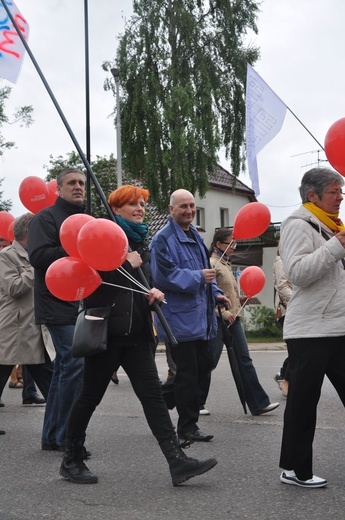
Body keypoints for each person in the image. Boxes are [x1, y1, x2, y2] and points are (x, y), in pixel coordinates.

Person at [60, 184, 217, 486]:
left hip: (138, 335)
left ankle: (177, 461)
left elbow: (137, 285)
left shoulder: (140, 243)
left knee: (153, 399)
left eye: (143, 204)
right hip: (107, 333)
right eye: (132, 204)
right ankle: (71, 458)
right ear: (115, 209)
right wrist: (120, 263)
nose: (140, 209)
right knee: (89, 398)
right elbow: (90, 283)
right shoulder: (99, 237)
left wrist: (151, 294)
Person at [279, 167, 345, 489]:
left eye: (341, 191)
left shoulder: (333, 226)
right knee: (303, 404)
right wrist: (336, 246)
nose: (341, 197)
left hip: (338, 326)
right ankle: (295, 469)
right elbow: (298, 273)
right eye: (334, 191)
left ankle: (294, 467)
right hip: (310, 330)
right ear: (312, 195)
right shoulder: (297, 225)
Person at [149, 189, 230, 444]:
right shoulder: (162, 240)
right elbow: (162, 277)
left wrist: (215, 292)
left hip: (200, 315)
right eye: (183, 206)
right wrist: (198, 279)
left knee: (203, 365)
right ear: (171, 210)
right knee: (188, 372)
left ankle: (161, 399)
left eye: (192, 206)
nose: (189, 211)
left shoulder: (194, 234)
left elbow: (205, 271)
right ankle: (187, 427)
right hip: (178, 318)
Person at [28, 168, 86, 452]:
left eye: (82, 183)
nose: (78, 187)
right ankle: (64, 436)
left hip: (80, 302)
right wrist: (75, 250)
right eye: (72, 183)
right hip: (55, 302)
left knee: (65, 368)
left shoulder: (84, 220)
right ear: (58, 189)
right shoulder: (45, 218)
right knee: (74, 362)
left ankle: (52, 436)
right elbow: (37, 256)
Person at [198, 228, 279, 416]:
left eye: (234, 243)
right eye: (230, 243)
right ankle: (196, 402)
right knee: (209, 361)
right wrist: (225, 313)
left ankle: (258, 403)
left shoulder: (226, 264)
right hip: (218, 321)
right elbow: (208, 296)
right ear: (219, 244)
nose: (233, 247)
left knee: (244, 360)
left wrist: (239, 299)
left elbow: (226, 293)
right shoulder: (212, 264)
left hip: (234, 320)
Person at [0, 213, 53, 410]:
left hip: (35, 325)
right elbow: (14, 287)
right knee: (3, 370)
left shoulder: (36, 253)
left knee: (49, 377)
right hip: (14, 327)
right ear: (28, 232)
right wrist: (35, 268)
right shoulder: (7, 255)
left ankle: (63, 425)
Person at [272, 246, 292, 398]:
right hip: (288, 310)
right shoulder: (281, 261)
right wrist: (300, 303)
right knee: (299, 349)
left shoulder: (293, 259)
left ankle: (283, 374)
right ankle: (285, 377)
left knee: (298, 349)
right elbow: (282, 287)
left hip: (297, 309)